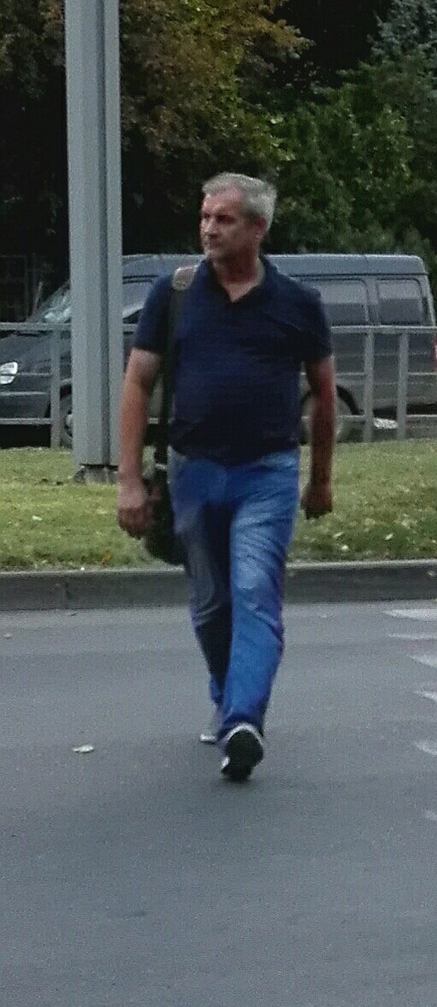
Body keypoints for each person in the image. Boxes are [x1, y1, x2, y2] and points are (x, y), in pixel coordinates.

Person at [115, 173, 335, 782]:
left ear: (258, 229)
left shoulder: (297, 304)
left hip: (267, 471)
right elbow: (137, 384)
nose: (210, 228)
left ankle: (243, 720)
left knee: (255, 593)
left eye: (225, 219)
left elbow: (322, 394)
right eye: (206, 217)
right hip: (194, 470)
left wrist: (320, 480)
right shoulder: (176, 293)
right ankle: (223, 689)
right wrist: (128, 479)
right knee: (212, 604)